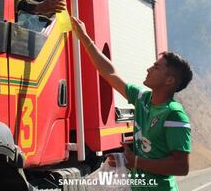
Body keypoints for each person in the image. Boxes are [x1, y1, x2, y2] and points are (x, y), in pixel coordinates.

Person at [71, 17, 193, 190]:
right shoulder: (142, 98)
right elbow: (110, 73)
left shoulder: (174, 114)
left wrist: (135, 161)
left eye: (156, 68)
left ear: (170, 80)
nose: (148, 69)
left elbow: (181, 167)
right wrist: (84, 38)